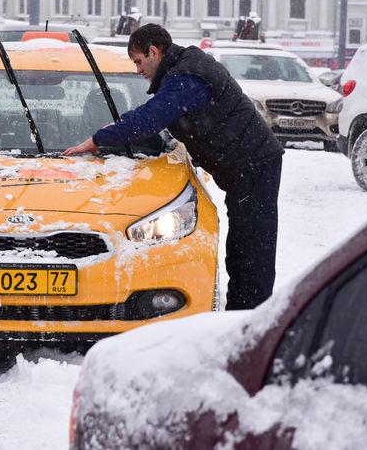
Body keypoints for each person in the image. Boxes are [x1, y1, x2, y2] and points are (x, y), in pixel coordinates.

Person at [63, 24, 283, 310]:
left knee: (251, 250)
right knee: (245, 247)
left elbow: (151, 119)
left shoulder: (188, 77)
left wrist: (97, 140)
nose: (138, 70)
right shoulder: (183, 71)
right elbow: (154, 111)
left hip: (254, 165)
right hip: (246, 166)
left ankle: (249, 319)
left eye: (139, 61)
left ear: (154, 52)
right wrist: (119, 126)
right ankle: (247, 313)